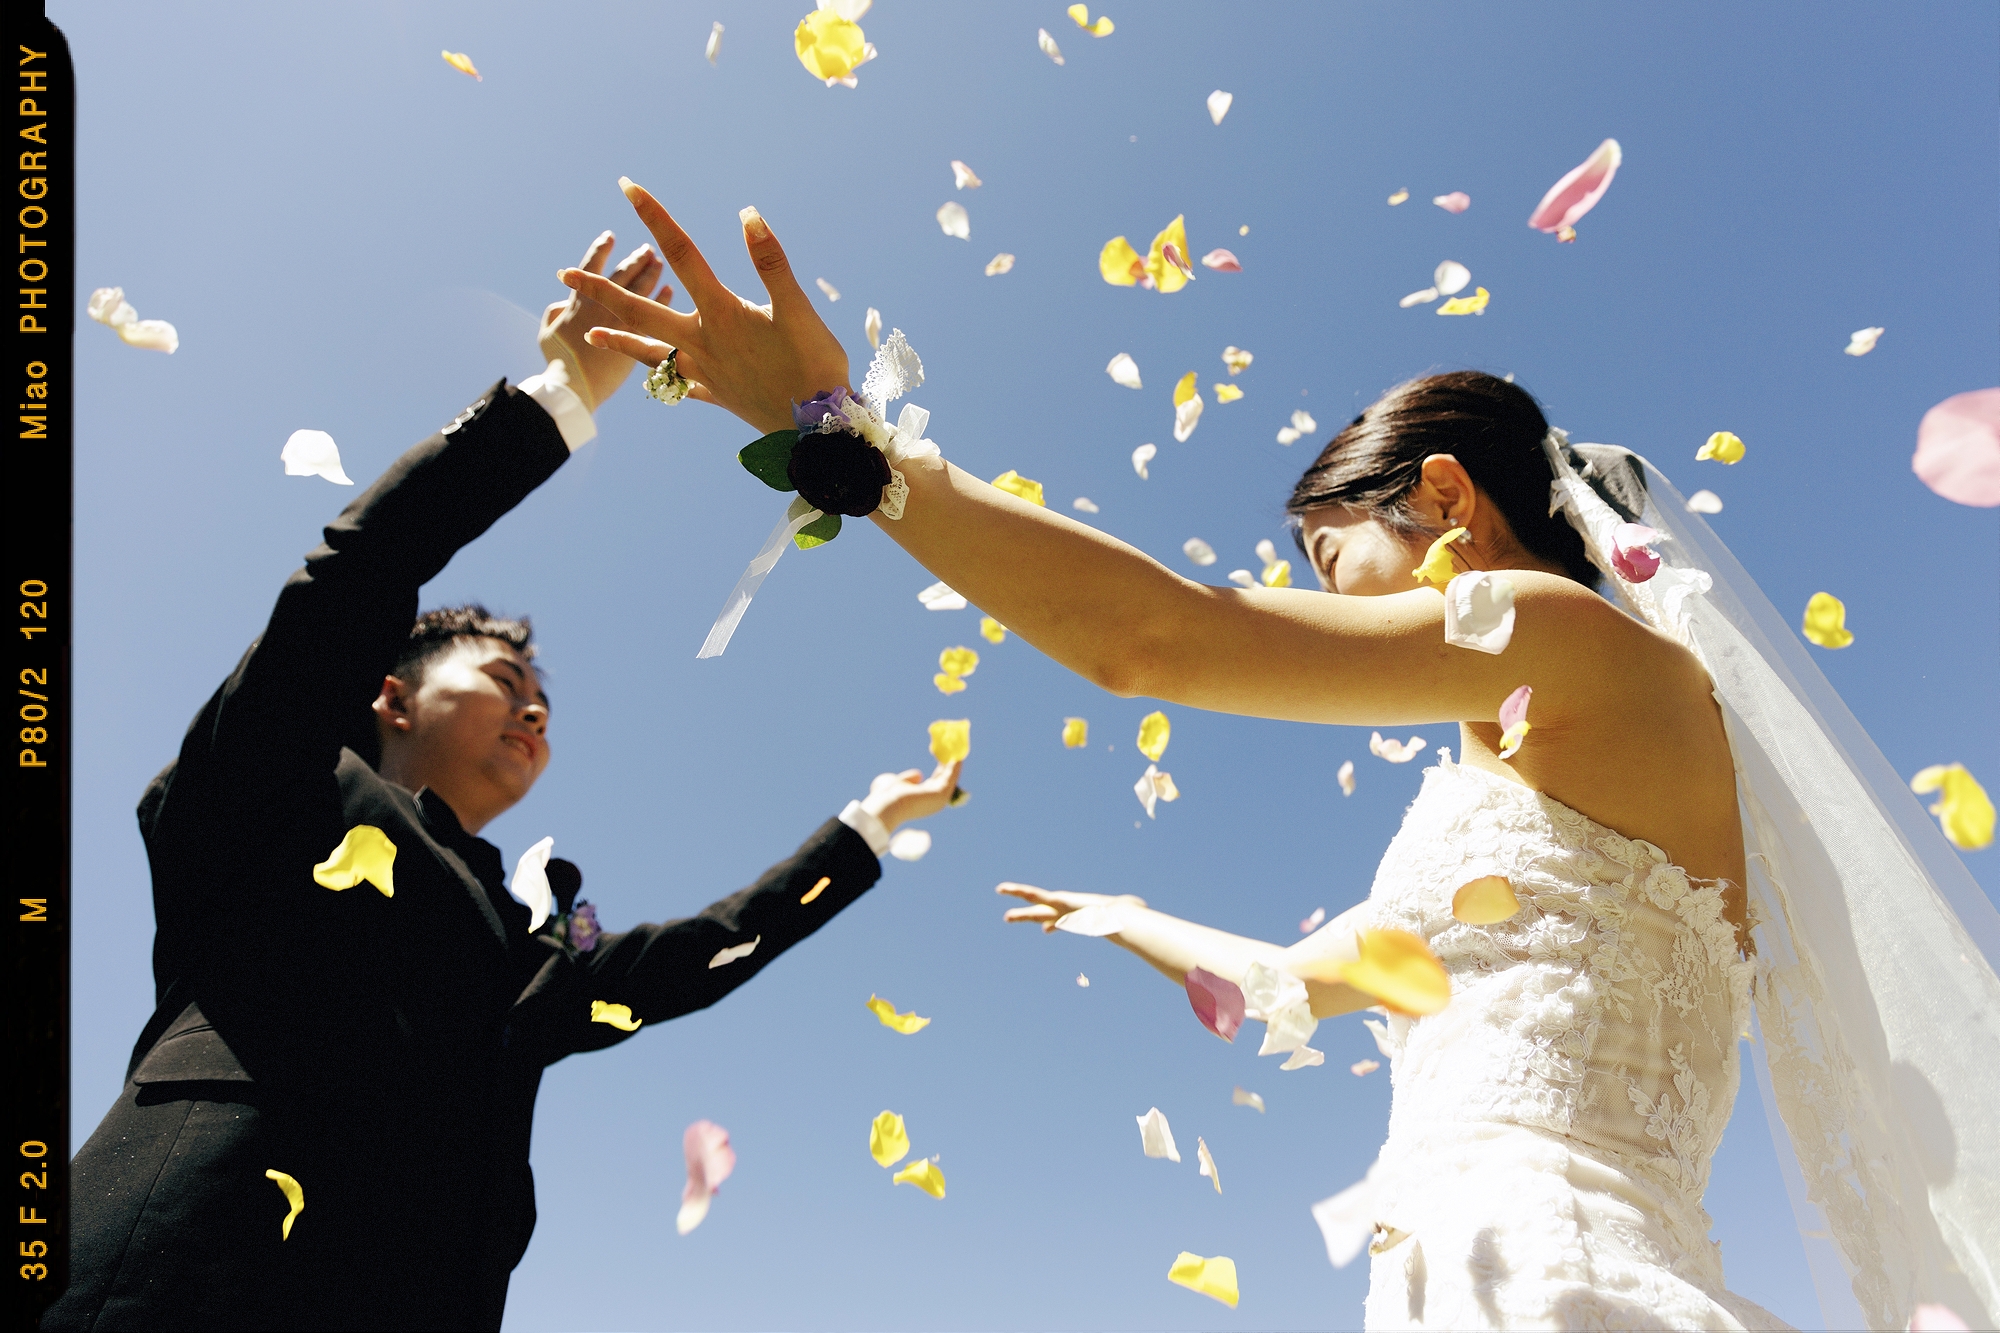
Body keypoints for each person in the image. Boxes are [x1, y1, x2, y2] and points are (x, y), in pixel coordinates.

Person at [554, 182, 2000, 1332]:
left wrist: (837, 435)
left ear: (1446, 497)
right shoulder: (1526, 796)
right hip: (1460, 1278)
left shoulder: (1572, 643)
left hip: (1557, 1276)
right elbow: (1294, 980)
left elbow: (1154, 639)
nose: (1321, 591)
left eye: (1327, 552)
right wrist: (1123, 916)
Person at [45, 231, 961, 1333]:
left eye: (544, 702)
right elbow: (356, 577)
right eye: (503, 679)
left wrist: (869, 826)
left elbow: (693, 955)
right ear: (390, 696)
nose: (534, 711)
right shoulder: (272, 783)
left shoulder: (528, 950)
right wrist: (560, 395)